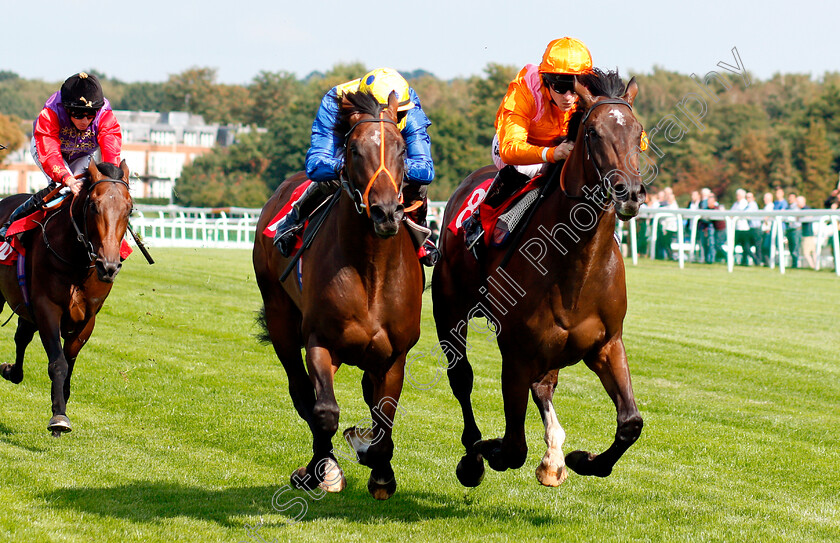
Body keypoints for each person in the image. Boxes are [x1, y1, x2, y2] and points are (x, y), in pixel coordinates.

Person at [272, 67, 437, 266]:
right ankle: (294, 219)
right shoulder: (335, 101)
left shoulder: (406, 101)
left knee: (419, 184)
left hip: (392, 153)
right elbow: (315, 165)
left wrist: (391, 165)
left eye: (401, 114)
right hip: (353, 150)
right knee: (329, 179)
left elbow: (426, 169)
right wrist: (354, 164)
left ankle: (421, 234)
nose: (399, 116)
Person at [463, 37, 593, 249]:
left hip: (563, 149)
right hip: (518, 150)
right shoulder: (526, 88)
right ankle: (478, 219)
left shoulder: (592, 91)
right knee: (526, 167)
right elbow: (510, 149)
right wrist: (551, 154)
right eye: (560, 88)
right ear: (547, 80)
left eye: (574, 89)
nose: (569, 97)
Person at [0, 72, 121, 239]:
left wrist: (111, 178)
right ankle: (11, 223)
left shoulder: (105, 114)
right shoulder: (51, 112)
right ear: (67, 109)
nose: (85, 121)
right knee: (63, 188)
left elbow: (110, 147)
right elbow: (50, 152)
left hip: (82, 153)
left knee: (91, 191)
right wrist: (67, 178)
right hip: (47, 150)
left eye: (90, 115)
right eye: (78, 115)